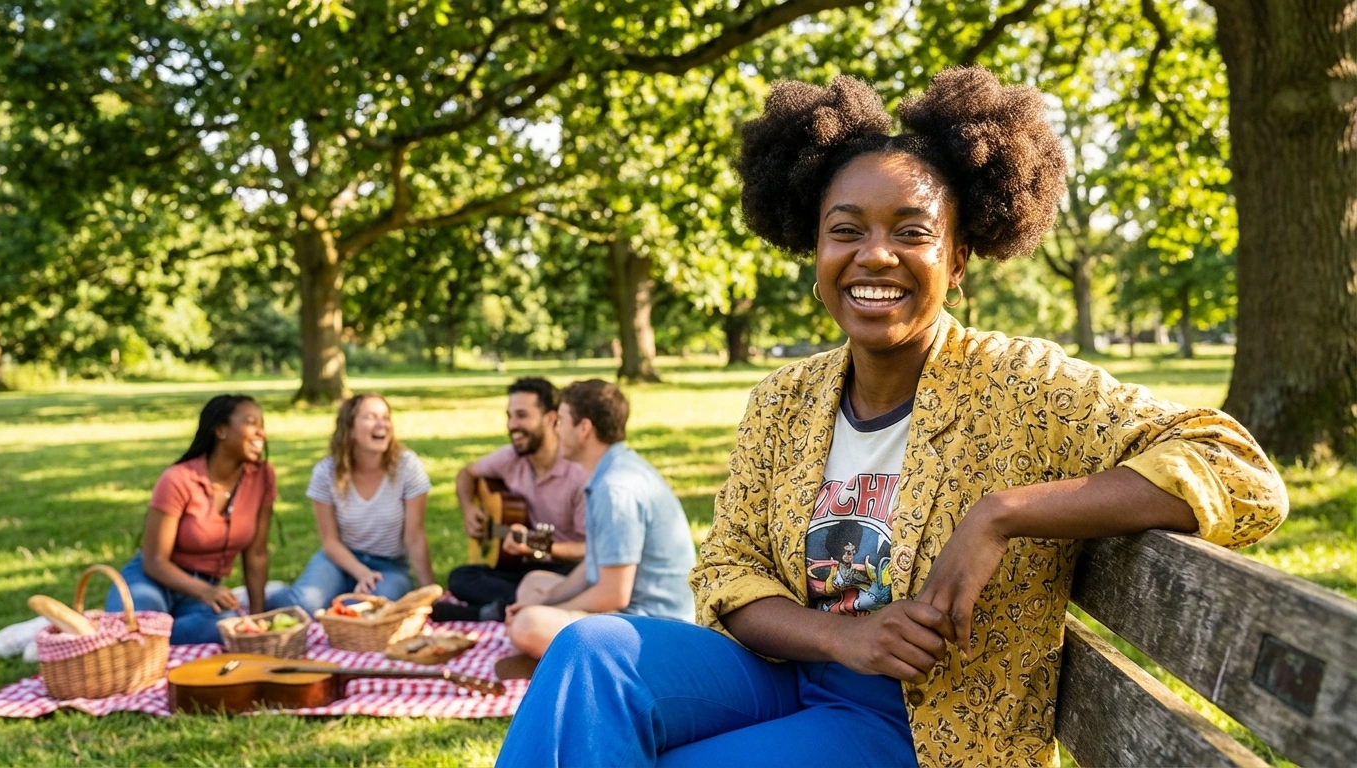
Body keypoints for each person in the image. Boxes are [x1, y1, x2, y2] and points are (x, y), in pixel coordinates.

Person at [496, 68, 1288, 768]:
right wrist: (843, 637)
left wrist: (1002, 514)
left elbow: (1240, 472)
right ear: (814, 250)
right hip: (784, 676)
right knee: (590, 652)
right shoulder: (782, 400)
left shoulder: (1029, 386)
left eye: (912, 232)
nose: (876, 256)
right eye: (847, 231)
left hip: (923, 727)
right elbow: (729, 572)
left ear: (959, 257)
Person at [503, 378, 696, 659]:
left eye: (562, 421)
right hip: (630, 610)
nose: (555, 429)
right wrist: (549, 599)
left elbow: (613, 595)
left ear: (584, 429)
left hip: (657, 632)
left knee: (527, 624)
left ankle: (573, 658)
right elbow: (593, 563)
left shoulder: (615, 488)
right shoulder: (611, 472)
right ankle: (560, 653)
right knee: (533, 585)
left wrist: (550, 611)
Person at [108, 394, 276, 646]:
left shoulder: (262, 477)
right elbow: (154, 561)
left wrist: (258, 618)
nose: (261, 432)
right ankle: (135, 635)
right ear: (220, 430)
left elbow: (257, 556)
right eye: (251, 423)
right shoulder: (178, 479)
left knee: (228, 628)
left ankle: (146, 638)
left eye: (262, 425)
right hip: (153, 581)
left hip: (201, 594)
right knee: (139, 625)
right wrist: (205, 591)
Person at [434, 378, 588, 622]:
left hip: (566, 570)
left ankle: (485, 612)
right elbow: (466, 474)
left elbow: (588, 549)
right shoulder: (511, 458)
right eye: (509, 416)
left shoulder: (579, 473)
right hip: (522, 565)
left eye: (522, 416)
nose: (512, 425)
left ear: (551, 419)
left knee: (565, 584)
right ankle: (516, 607)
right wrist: (468, 510)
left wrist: (537, 545)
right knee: (461, 577)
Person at [267, 393, 434, 615]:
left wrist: (429, 593)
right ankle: (272, 593)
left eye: (386, 417)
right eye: (371, 417)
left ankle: (334, 603)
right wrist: (361, 572)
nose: (381, 424)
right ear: (350, 428)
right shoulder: (326, 472)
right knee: (302, 605)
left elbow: (414, 537)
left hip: (389, 567)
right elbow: (330, 542)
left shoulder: (407, 467)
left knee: (363, 613)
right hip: (339, 560)